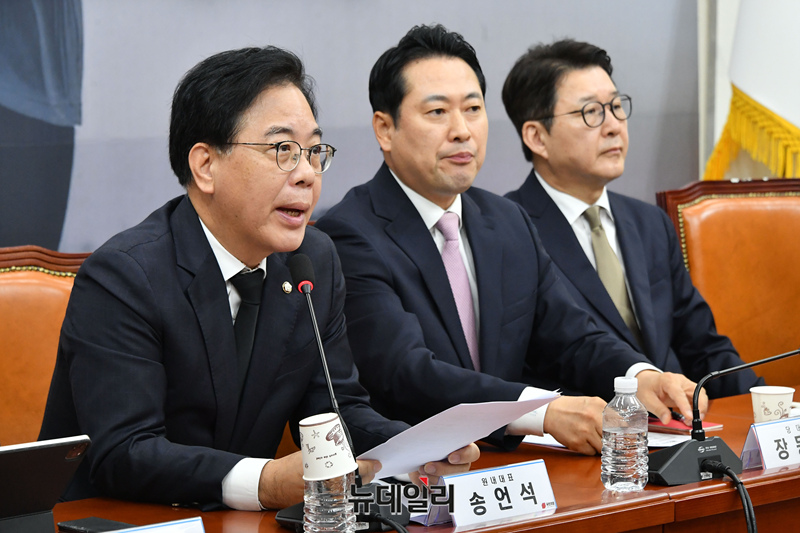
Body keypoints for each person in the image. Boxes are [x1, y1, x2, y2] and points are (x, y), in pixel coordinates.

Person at [38, 46, 477, 511]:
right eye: (283, 150)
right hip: (118, 518)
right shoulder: (125, 276)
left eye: (313, 152)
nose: (307, 175)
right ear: (205, 166)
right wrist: (264, 482)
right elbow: (125, 452)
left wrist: (415, 449)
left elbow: (336, 410)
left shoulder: (312, 260)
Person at [315, 24, 706, 457]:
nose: (462, 131)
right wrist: (542, 411)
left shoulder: (507, 221)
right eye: (437, 112)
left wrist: (640, 376)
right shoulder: (350, 234)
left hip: (513, 467)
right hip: (419, 471)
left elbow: (572, 335)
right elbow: (406, 372)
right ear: (385, 129)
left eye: (473, 109)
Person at [502, 39, 761, 398]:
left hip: (672, 421)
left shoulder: (649, 223)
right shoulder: (509, 231)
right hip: (586, 426)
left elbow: (703, 347)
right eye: (591, 112)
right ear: (537, 137)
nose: (613, 126)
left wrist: (771, 409)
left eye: (615, 106)